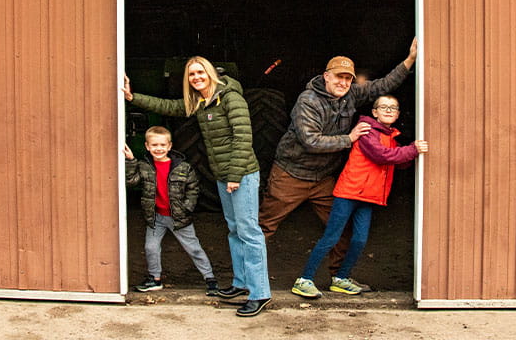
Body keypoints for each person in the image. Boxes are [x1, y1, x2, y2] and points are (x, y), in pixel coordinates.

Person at [259, 37, 417, 290]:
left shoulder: (350, 94)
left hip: (324, 178)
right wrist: (350, 138)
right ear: (326, 77)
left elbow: (381, 86)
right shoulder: (308, 101)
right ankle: (250, 280)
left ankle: (338, 277)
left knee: (340, 228)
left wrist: (409, 60)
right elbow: (311, 141)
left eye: (348, 78)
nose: (344, 83)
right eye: (339, 77)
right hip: (291, 174)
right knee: (265, 226)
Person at [123, 57, 272, 317]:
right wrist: (132, 97)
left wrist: (235, 175)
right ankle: (241, 283)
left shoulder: (230, 98)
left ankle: (260, 293)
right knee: (235, 230)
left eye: (200, 72)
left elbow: (243, 137)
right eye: (191, 74)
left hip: (242, 174)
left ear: (211, 74)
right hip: (223, 175)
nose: (196, 77)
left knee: (249, 232)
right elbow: (168, 106)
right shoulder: (201, 102)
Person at [291, 95, 427, 298]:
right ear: (375, 112)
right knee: (332, 237)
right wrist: (412, 150)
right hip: (349, 192)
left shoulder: (390, 136)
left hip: (368, 196)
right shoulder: (367, 130)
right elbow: (381, 156)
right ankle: (304, 280)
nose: (389, 110)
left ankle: (341, 278)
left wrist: (408, 155)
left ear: (398, 114)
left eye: (393, 107)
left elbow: (396, 160)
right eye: (384, 107)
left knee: (360, 240)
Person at [123, 126, 218, 295]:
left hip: (178, 218)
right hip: (156, 217)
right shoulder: (144, 166)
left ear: (169, 146)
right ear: (147, 146)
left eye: (162, 145)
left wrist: (187, 207)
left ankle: (210, 279)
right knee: (151, 248)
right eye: (154, 145)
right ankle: (155, 279)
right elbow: (131, 181)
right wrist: (130, 161)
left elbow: (193, 188)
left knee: (193, 248)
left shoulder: (183, 167)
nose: (158, 149)